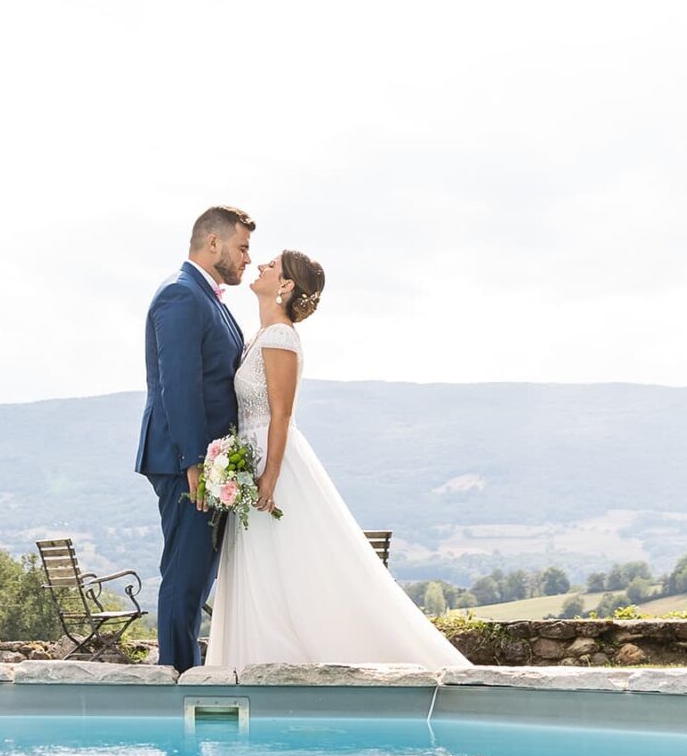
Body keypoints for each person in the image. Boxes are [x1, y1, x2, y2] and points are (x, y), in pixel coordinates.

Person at [205, 248, 469, 668]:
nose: (261, 267)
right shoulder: (259, 336)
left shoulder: (280, 337)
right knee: (266, 569)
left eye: (271, 266)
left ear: (286, 285)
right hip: (250, 461)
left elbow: (282, 413)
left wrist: (270, 475)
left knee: (288, 566)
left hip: (272, 465)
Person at [134, 205, 252, 672]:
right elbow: (177, 386)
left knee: (197, 578)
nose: (246, 258)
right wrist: (195, 465)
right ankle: (177, 681)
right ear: (214, 243)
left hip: (209, 463)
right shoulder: (180, 296)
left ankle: (187, 675)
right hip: (189, 464)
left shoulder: (208, 299)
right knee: (184, 578)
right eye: (242, 247)